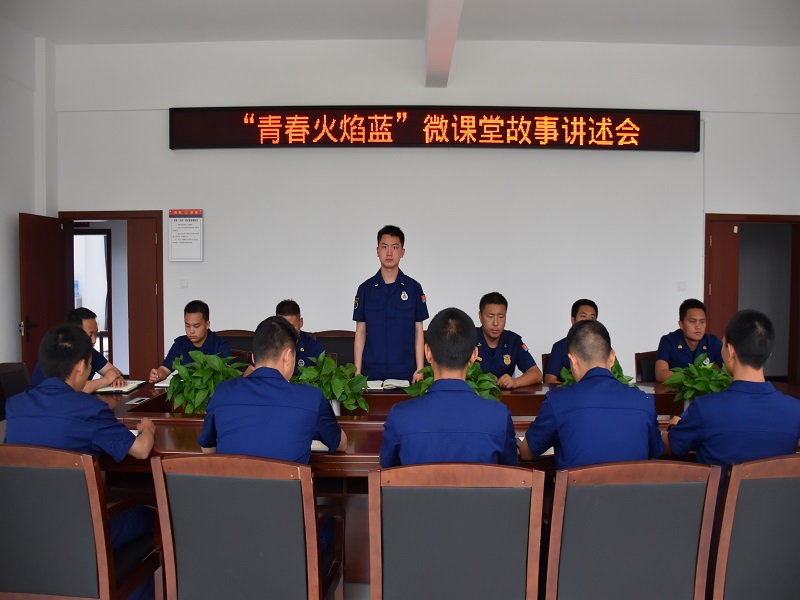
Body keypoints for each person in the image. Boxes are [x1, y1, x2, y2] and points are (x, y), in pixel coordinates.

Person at [5, 324, 157, 600]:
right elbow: (141, 450)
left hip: (22, 535)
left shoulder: (14, 407)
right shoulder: (89, 409)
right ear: (78, 367)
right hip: (81, 535)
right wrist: (147, 429)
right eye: (88, 365)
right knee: (150, 515)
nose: (89, 371)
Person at [380, 307, 518, 467]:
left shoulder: (400, 416)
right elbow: (511, 473)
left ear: (428, 353)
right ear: (474, 355)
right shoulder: (499, 417)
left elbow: (387, 471)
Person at [664, 309, 800, 471]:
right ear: (768, 354)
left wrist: (673, 427)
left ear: (731, 351)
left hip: (719, 489)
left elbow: (669, 446)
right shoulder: (795, 410)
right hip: (777, 489)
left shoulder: (706, 408)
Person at [198, 316, 346, 462]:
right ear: (287, 356)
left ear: (253, 358)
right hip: (287, 479)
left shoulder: (223, 393)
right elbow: (340, 444)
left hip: (232, 478)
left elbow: (207, 449)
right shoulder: (311, 399)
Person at [521, 319, 664, 469]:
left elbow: (526, 453)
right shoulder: (644, 402)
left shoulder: (558, 402)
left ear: (573, 360)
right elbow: (656, 451)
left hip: (577, 485)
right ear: (612, 357)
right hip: (633, 485)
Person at [353, 225, 428, 384]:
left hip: (406, 370)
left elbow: (418, 330)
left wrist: (420, 369)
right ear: (377, 250)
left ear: (402, 252)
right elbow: (360, 331)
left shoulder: (414, 288)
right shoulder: (365, 289)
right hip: (371, 371)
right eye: (384, 247)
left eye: (394, 247)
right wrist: (357, 370)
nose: (389, 253)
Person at [29, 307, 125, 392]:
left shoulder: (89, 351)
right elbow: (72, 389)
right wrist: (106, 380)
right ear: (75, 332)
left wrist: (117, 379)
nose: (94, 340)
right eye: (90, 334)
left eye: (96, 333)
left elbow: (113, 371)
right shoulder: (59, 353)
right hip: (42, 403)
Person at [149, 300, 231, 383]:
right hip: (186, 389)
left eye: (196, 326)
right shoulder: (180, 343)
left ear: (207, 325)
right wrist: (158, 374)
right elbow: (165, 369)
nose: (191, 331)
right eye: (187, 326)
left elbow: (226, 373)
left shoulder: (220, 344)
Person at [476, 292, 542, 388]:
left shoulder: (513, 341)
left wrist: (515, 382)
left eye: (501, 317)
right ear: (480, 316)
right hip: (474, 395)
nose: (496, 323)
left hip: (505, 396)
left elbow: (536, 374)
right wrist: (481, 379)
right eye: (490, 316)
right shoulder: (468, 338)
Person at [655, 298, 723, 382]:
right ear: (681, 324)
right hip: (677, 389)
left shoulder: (712, 342)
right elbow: (660, 373)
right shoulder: (668, 341)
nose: (698, 326)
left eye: (702, 322)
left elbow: (729, 370)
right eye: (692, 321)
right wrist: (693, 380)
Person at [544, 299, 598, 384]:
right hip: (569, 391)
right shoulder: (560, 346)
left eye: (592, 318)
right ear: (573, 320)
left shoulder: (603, 346)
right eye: (583, 316)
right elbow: (550, 379)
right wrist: (573, 390)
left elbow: (615, 377)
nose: (588, 321)